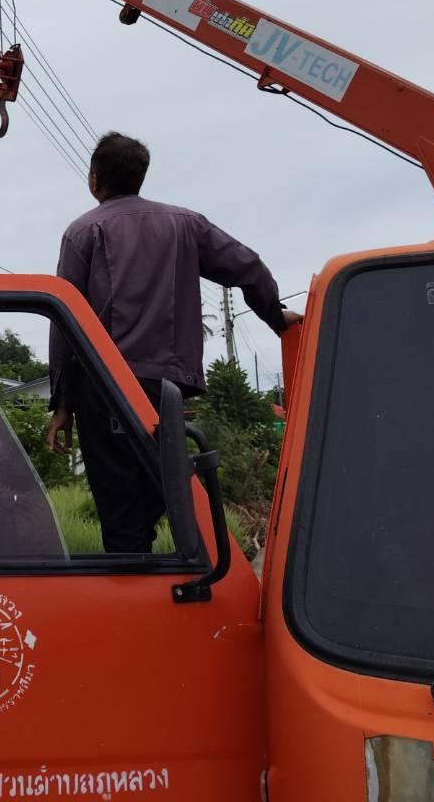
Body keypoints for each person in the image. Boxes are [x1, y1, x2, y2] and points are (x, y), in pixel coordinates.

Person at [46, 131, 301, 554]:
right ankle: (175, 593)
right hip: (166, 390)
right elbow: (249, 267)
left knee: (120, 512)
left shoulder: (83, 231)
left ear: (94, 180)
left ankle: (133, 602)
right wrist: (274, 316)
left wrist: (62, 405)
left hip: (106, 389)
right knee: (162, 493)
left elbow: (64, 318)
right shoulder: (186, 223)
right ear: (141, 176)